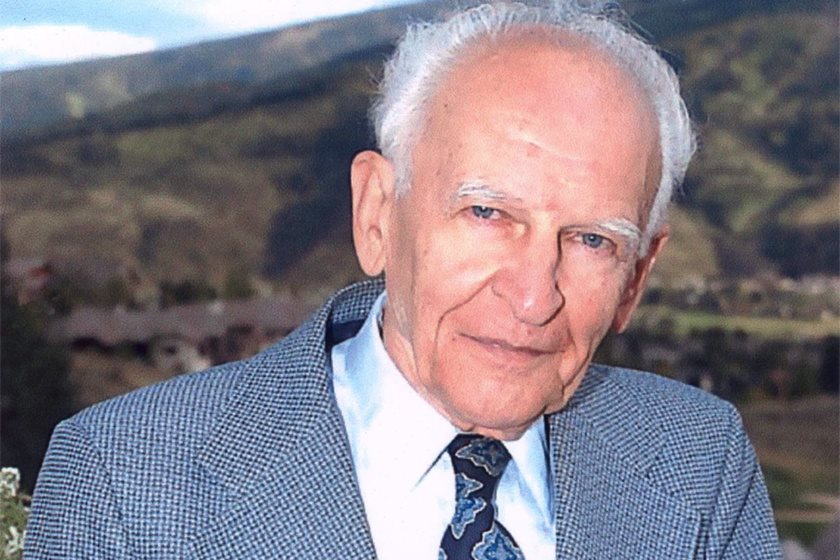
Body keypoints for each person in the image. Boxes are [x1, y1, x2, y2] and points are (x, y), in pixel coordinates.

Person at [25, 2, 782, 558]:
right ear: (378, 213)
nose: (533, 298)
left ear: (637, 276)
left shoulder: (701, 461)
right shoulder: (124, 480)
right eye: (487, 212)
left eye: (591, 240)